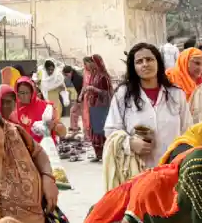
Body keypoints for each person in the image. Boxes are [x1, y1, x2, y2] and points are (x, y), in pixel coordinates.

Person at [103, 42, 192, 172]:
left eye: (149, 59)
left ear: (158, 63)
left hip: (172, 170)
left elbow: (188, 130)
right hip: (137, 171)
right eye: (139, 61)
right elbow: (111, 130)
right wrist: (130, 143)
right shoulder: (123, 95)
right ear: (133, 67)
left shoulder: (176, 94)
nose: (145, 64)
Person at [80, 54, 113, 159]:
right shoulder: (94, 74)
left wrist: (93, 89)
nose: (89, 65)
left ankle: (104, 153)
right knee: (95, 129)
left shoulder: (104, 76)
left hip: (102, 105)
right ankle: (98, 154)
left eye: (91, 62)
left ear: (97, 63)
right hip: (94, 104)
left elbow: (107, 93)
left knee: (100, 129)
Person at [64, 64, 85, 133]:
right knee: (74, 111)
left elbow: (82, 88)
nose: (66, 76)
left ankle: (79, 128)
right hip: (81, 96)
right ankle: (74, 127)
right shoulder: (74, 77)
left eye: (66, 75)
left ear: (70, 72)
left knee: (78, 112)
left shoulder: (77, 78)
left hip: (83, 97)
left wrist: (79, 98)